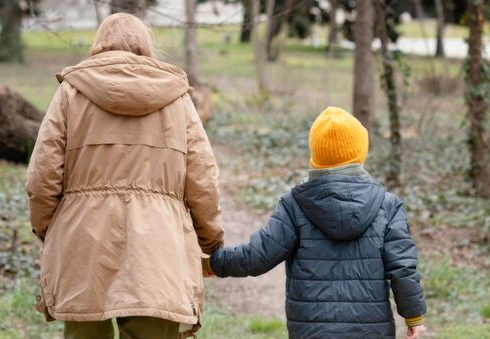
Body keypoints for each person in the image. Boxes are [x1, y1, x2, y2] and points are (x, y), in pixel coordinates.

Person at [26, 13, 224, 339]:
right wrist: (211, 241)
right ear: (145, 46)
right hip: (160, 247)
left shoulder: (71, 94)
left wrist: (51, 229)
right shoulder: (177, 99)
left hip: (83, 243)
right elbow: (203, 179)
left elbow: (42, 176)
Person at [204, 107, 427, 339]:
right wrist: (414, 318)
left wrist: (213, 263)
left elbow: (258, 256)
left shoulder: (295, 204)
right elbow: (403, 267)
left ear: (316, 156)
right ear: (360, 153)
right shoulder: (387, 205)